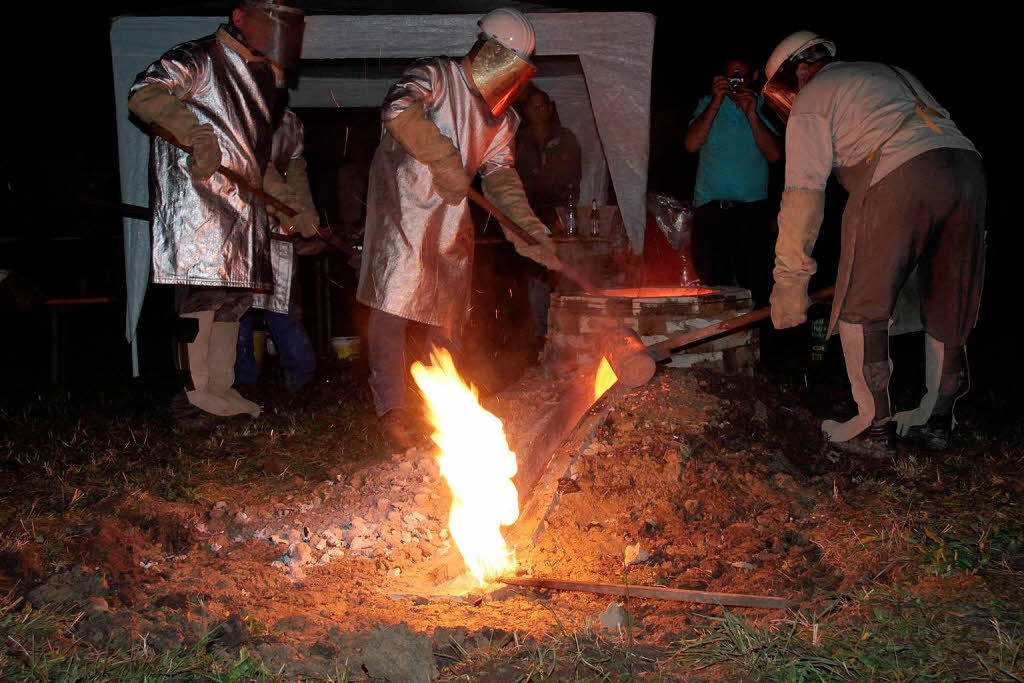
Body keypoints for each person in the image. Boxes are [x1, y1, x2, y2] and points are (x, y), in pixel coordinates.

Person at [763, 31, 984, 454]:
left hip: (901, 171)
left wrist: (789, 282)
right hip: (967, 169)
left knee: (861, 304)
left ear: (799, 72)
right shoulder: (886, 73)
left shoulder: (813, 96)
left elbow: (803, 197)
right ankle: (938, 420)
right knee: (948, 300)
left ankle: (874, 427)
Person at [356, 8, 562, 450]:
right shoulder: (436, 75)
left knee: (447, 322)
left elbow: (501, 177)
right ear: (491, 51)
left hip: (451, 222)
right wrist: (444, 157)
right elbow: (398, 107)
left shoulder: (502, 118)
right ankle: (391, 410)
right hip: (403, 213)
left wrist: (528, 232)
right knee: (391, 313)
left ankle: (441, 414)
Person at [128, 0, 317, 420]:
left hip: (242, 209)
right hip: (198, 205)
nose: (275, 34)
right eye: (270, 22)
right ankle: (192, 397)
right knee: (200, 298)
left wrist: (289, 206)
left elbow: (256, 159)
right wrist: (196, 135)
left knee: (235, 300)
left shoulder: (264, 77)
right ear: (239, 16)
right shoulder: (198, 58)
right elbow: (144, 93)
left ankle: (221, 389)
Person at [684, 53, 782, 305]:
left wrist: (751, 114)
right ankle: (717, 343)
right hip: (712, 213)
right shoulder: (707, 103)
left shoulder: (764, 106)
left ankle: (756, 341)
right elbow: (691, 145)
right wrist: (716, 102)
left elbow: (774, 155)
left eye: (741, 76)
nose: (736, 82)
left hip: (752, 215)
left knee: (757, 289)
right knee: (713, 292)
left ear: (755, 76)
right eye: (731, 76)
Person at [235, 107, 320, 393]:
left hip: (277, 231)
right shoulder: (239, 106)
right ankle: (241, 381)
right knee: (239, 308)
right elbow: (255, 166)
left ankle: (302, 379)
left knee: (284, 309)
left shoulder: (290, 122)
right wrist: (289, 207)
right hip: (240, 225)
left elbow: (297, 173)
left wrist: (305, 213)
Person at [515, 87, 581, 350]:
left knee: (562, 272)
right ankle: (539, 337)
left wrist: (561, 213)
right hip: (527, 216)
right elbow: (512, 180)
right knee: (536, 274)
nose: (539, 111)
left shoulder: (565, 139)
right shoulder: (518, 140)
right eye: (533, 106)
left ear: (551, 108)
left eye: (543, 106)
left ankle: (567, 334)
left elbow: (573, 177)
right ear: (527, 111)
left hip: (559, 216)